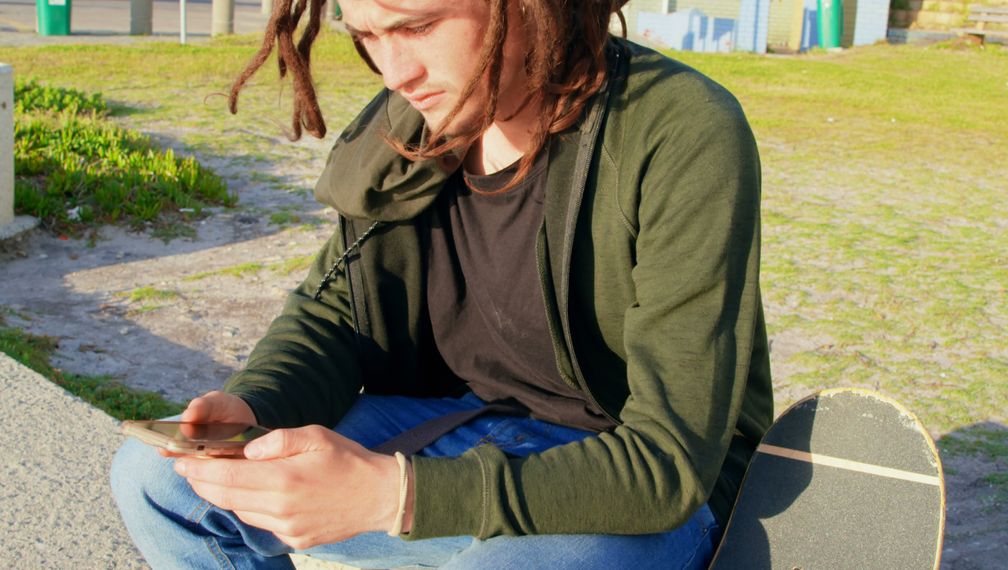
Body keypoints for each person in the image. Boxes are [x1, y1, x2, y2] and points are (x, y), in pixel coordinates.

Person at [110, 0, 774, 568]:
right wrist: (257, 408)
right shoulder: (409, 127)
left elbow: (670, 464)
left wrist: (393, 495)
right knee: (160, 482)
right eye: (367, 36)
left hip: (630, 488)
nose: (397, 73)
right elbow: (333, 312)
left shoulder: (680, 129)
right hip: (462, 429)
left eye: (418, 26)